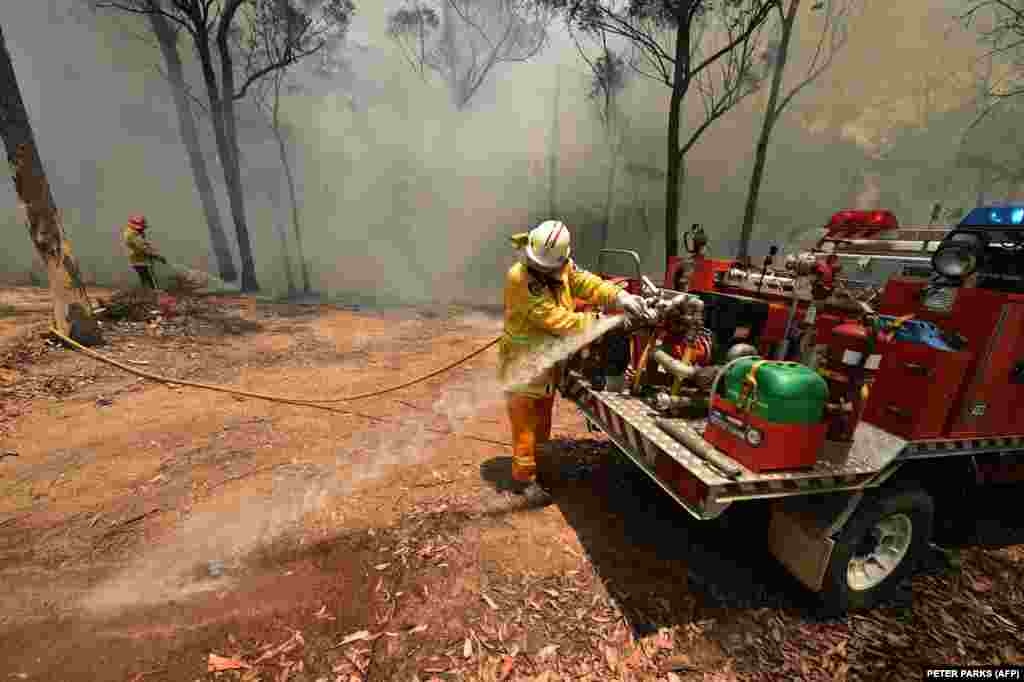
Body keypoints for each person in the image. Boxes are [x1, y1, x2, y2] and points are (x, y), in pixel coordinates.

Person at [499, 220, 651, 506]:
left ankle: (537, 466)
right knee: (525, 426)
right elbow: (556, 320)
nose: (542, 270)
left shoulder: (560, 265)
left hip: (546, 365)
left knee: (542, 422)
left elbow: (585, 282)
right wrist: (601, 322)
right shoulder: (521, 279)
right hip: (522, 364)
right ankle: (523, 483)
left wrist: (620, 295)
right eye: (539, 265)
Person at [122, 215, 166, 289]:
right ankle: (157, 295)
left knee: (145, 280)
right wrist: (158, 256)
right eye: (141, 227)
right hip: (142, 261)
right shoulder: (133, 235)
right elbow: (144, 247)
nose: (142, 229)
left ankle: (147, 295)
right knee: (151, 281)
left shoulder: (128, 232)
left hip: (135, 260)